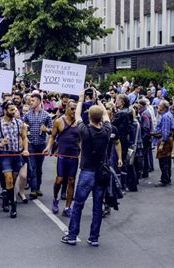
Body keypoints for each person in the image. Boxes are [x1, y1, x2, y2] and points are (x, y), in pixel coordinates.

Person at [61, 90, 112, 247]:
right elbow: (106, 116)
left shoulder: (84, 130)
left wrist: (82, 99)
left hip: (87, 172)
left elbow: (77, 115)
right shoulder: (107, 130)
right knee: (98, 206)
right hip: (101, 172)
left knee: (78, 205)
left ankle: (72, 235)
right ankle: (94, 237)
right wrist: (98, 100)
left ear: (89, 117)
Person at [0, 101, 29, 219]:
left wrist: (26, 149)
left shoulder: (19, 123)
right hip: (5, 155)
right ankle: (13, 206)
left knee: (13, 179)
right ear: (5, 111)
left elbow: (24, 137)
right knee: (8, 180)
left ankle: (7, 198)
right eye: (12, 110)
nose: (14, 112)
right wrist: (0, 143)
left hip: (17, 155)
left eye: (15, 109)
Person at [44, 101, 80, 217]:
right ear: (67, 109)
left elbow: (81, 140)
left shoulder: (79, 123)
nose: (74, 111)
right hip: (62, 156)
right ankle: (55, 199)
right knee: (59, 180)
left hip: (74, 156)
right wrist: (49, 147)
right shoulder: (59, 121)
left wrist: (83, 153)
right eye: (72, 109)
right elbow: (53, 136)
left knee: (71, 180)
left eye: (76, 109)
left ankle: (68, 207)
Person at [24, 93, 52, 200]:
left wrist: (47, 130)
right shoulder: (27, 115)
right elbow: (23, 129)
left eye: (33, 100)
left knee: (39, 168)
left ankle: (38, 187)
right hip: (31, 144)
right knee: (32, 168)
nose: (31, 102)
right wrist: (25, 129)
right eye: (30, 100)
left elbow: (52, 131)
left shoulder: (46, 115)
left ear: (39, 101)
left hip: (41, 145)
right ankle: (33, 190)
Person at [152, 100, 174, 187]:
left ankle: (164, 180)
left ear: (163, 107)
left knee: (164, 160)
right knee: (167, 160)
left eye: (159, 106)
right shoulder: (169, 114)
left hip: (165, 140)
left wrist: (162, 143)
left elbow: (165, 131)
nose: (158, 107)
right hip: (169, 139)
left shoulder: (165, 116)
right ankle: (167, 178)